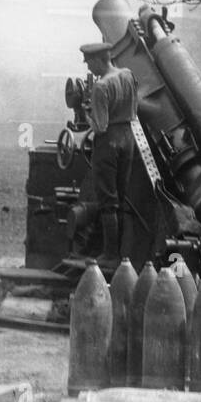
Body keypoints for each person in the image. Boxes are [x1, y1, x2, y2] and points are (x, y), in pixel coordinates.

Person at [81, 41, 138, 267]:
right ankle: (122, 252)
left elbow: (100, 126)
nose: (88, 68)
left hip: (109, 142)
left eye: (89, 63)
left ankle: (110, 254)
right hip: (128, 138)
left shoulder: (101, 86)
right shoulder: (128, 75)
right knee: (121, 198)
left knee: (107, 200)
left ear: (98, 60)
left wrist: (87, 112)